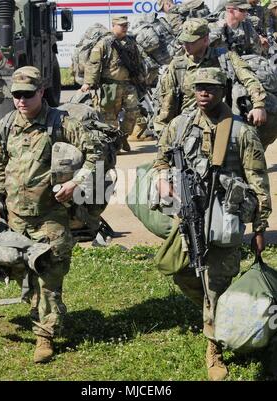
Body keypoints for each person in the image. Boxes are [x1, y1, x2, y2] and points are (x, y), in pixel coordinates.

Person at [153, 67, 271, 380]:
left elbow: (258, 181)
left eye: (211, 88)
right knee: (177, 268)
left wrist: (260, 227)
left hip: (225, 219)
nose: (204, 93)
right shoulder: (179, 126)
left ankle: (214, 348)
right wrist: (163, 179)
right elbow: (161, 158)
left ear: (223, 90)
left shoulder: (241, 132)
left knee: (214, 283)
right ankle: (219, 314)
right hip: (189, 214)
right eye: (199, 88)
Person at [0, 66, 107, 364]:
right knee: (22, 271)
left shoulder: (60, 122)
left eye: (27, 94)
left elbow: (97, 153)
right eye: (16, 95)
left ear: (41, 91)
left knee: (49, 277)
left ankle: (45, 336)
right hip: (15, 218)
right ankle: (39, 310)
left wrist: (75, 182)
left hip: (51, 217)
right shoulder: (6, 124)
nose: (21, 101)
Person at [154, 18, 267, 134]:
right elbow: (167, 103)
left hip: (223, 122)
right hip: (189, 126)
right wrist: (163, 132)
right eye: (184, 41)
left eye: (191, 42)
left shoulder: (226, 58)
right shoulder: (178, 65)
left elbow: (250, 79)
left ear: (205, 40)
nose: (186, 46)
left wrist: (258, 105)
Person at [81, 15, 145, 152]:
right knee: (110, 118)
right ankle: (114, 145)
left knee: (133, 112)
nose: (125, 28)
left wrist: (141, 78)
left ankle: (122, 136)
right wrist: (88, 83)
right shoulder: (105, 43)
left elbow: (138, 62)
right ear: (114, 25)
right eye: (122, 25)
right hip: (109, 86)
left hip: (128, 85)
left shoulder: (130, 42)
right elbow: (94, 64)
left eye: (126, 25)